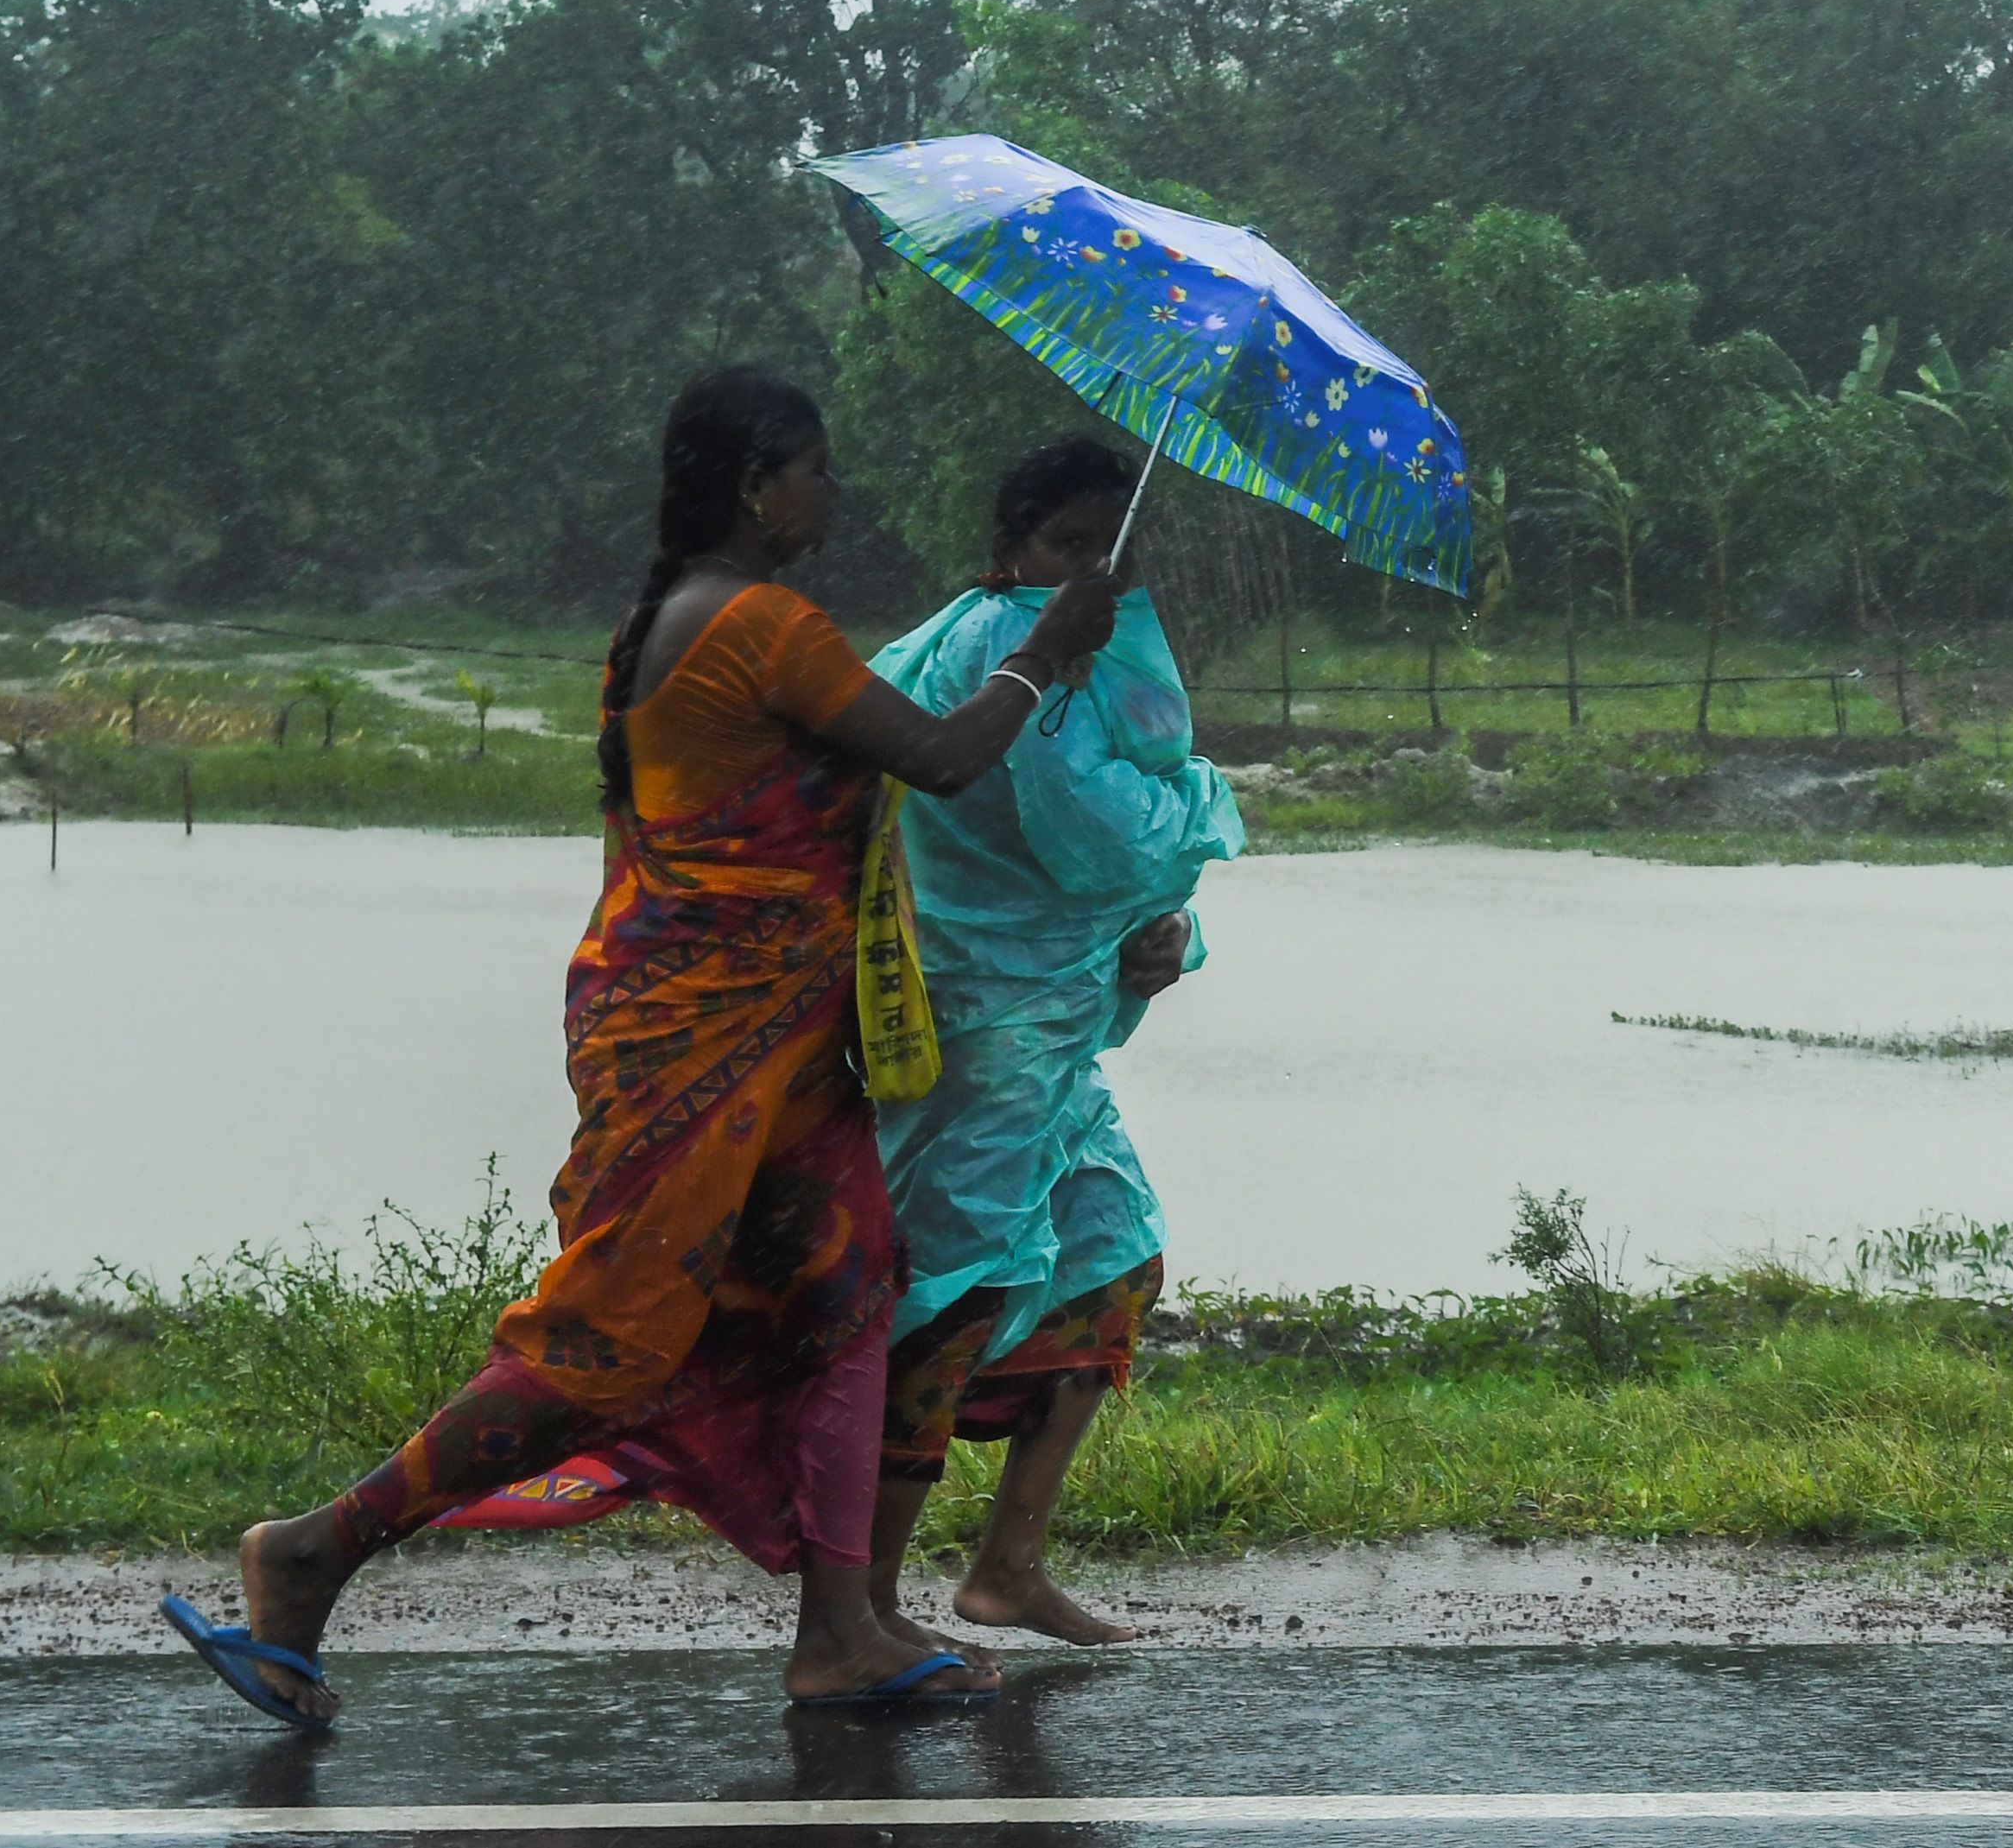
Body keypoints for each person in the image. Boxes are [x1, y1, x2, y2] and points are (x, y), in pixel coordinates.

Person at [164, 367, 1120, 1730]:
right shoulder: (758, 624)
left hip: (782, 1043)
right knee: (607, 1346)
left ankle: (840, 1627)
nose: (829, 494)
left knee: (852, 1288)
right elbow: (943, 755)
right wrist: (1046, 647)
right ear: (753, 484)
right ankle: (314, 1547)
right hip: (698, 1038)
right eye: (814, 469)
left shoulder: (664, 617)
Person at [864, 434, 1241, 1647]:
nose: (1091, 573)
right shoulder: (1008, 656)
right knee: (953, 1294)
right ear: (1009, 551)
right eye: (1066, 547)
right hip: (984, 1037)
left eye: (1111, 553)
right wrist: (1207, 813)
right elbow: (1105, 838)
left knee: (1108, 1255)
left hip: (1048, 1035)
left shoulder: (1069, 659)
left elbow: (1119, 879)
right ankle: (864, 1605)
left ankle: (1007, 1566)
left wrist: (1165, 931)